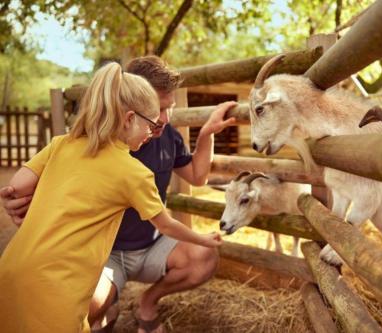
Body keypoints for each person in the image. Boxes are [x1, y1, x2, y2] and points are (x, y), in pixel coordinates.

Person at [0, 56, 237, 333]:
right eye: (157, 110)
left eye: (169, 109)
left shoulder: (67, 143)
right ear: (130, 112)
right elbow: (24, 194)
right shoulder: (124, 163)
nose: (162, 120)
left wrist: (206, 134)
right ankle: (107, 307)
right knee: (80, 303)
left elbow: (198, 177)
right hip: (103, 259)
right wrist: (18, 202)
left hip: (20, 267)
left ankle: (144, 302)